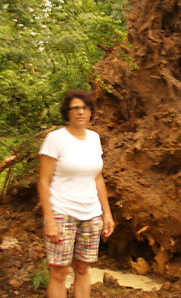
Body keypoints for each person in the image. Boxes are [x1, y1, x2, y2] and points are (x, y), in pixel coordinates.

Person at [38, 89, 114, 298]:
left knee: (82, 268)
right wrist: (49, 218)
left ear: (91, 112)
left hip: (91, 214)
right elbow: (43, 182)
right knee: (60, 272)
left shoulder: (94, 138)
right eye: (75, 108)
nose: (81, 112)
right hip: (62, 212)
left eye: (85, 108)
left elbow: (98, 178)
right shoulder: (55, 139)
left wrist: (106, 213)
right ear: (67, 112)